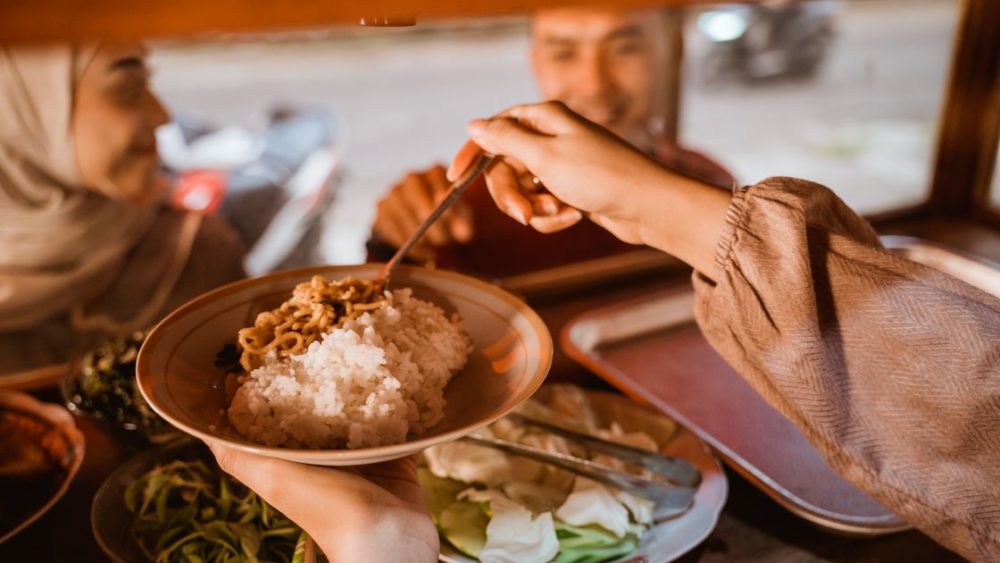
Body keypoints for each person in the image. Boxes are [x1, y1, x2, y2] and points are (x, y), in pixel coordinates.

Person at [213, 102, 1000, 562]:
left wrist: (672, 203)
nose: (593, 78)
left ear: (664, 49)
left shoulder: (698, 165)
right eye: (564, 45)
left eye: (624, 41)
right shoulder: (475, 192)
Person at [368, 6, 734, 275]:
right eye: (563, 53)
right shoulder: (476, 208)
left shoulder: (709, 183)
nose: (595, 84)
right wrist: (391, 237)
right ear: (536, 62)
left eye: (625, 48)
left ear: (672, 51)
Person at [0, 44, 245, 375]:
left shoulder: (197, 256)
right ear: (23, 108)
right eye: (130, 89)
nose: (162, 115)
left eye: (147, 83)